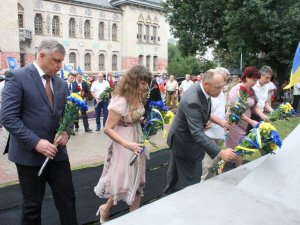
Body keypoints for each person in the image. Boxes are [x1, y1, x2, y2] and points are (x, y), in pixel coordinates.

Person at [0, 40, 78, 225]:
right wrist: (36, 142)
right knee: (32, 206)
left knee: (68, 199)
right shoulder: (17, 77)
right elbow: (8, 117)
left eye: (61, 62)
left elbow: (66, 113)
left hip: (57, 154)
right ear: (42, 56)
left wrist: (66, 131)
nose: (60, 66)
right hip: (29, 155)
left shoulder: (60, 83)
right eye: (56, 61)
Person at [94, 65, 152, 223]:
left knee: (138, 180)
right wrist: (128, 144)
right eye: (143, 83)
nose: (146, 87)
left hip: (136, 138)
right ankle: (105, 209)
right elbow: (107, 128)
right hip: (123, 142)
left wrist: (142, 120)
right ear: (133, 82)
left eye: (147, 83)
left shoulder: (139, 96)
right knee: (121, 180)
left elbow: (133, 116)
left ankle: (135, 218)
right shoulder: (120, 100)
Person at [163, 69, 236, 195]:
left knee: (174, 179)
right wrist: (220, 152)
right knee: (190, 183)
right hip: (184, 143)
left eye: (222, 87)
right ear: (206, 84)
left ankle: (168, 198)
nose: (220, 91)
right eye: (218, 88)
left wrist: (204, 121)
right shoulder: (193, 100)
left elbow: (203, 112)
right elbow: (197, 133)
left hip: (182, 139)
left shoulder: (203, 90)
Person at [225, 66, 268, 168]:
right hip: (235, 123)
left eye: (256, 80)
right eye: (254, 80)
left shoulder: (251, 90)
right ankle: (238, 169)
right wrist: (251, 121)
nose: (255, 82)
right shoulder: (236, 90)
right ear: (247, 77)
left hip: (244, 124)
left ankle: (225, 167)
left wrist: (263, 116)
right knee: (238, 148)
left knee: (236, 148)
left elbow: (254, 105)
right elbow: (237, 110)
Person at [202, 67, 232, 181]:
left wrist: (226, 115)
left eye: (226, 80)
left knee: (216, 165)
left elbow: (220, 110)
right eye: (224, 79)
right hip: (210, 134)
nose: (224, 83)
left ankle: (213, 188)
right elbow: (207, 111)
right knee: (208, 167)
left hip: (219, 133)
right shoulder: (210, 92)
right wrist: (221, 121)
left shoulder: (221, 92)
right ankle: (204, 189)